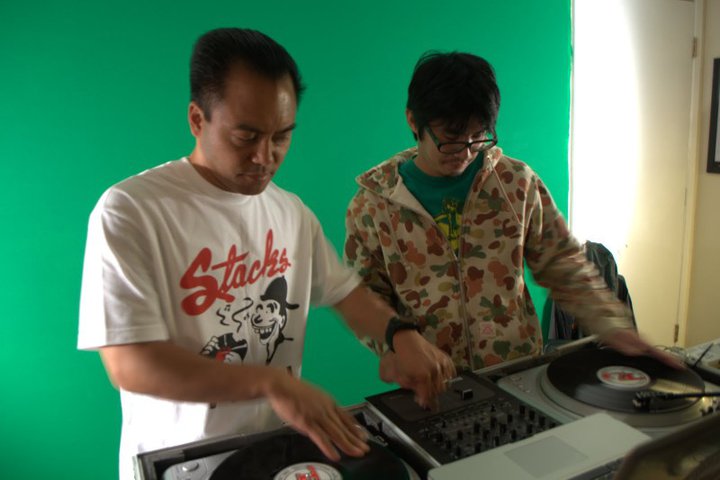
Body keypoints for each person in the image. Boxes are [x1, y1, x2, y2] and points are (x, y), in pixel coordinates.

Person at [77, 28, 454, 479]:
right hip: (181, 465)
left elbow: (345, 294)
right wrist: (269, 382)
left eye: (281, 136)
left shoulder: (290, 211)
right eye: (246, 136)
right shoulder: (130, 210)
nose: (265, 157)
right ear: (197, 119)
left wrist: (401, 335)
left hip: (275, 458)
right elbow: (129, 364)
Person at [343, 51, 681, 381]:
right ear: (413, 121)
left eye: (478, 136)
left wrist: (615, 327)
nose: (466, 152)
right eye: (451, 139)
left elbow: (562, 263)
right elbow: (363, 295)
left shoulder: (516, 183)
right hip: (432, 384)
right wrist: (394, 348)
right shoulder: (373, 205)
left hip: (517, 376)